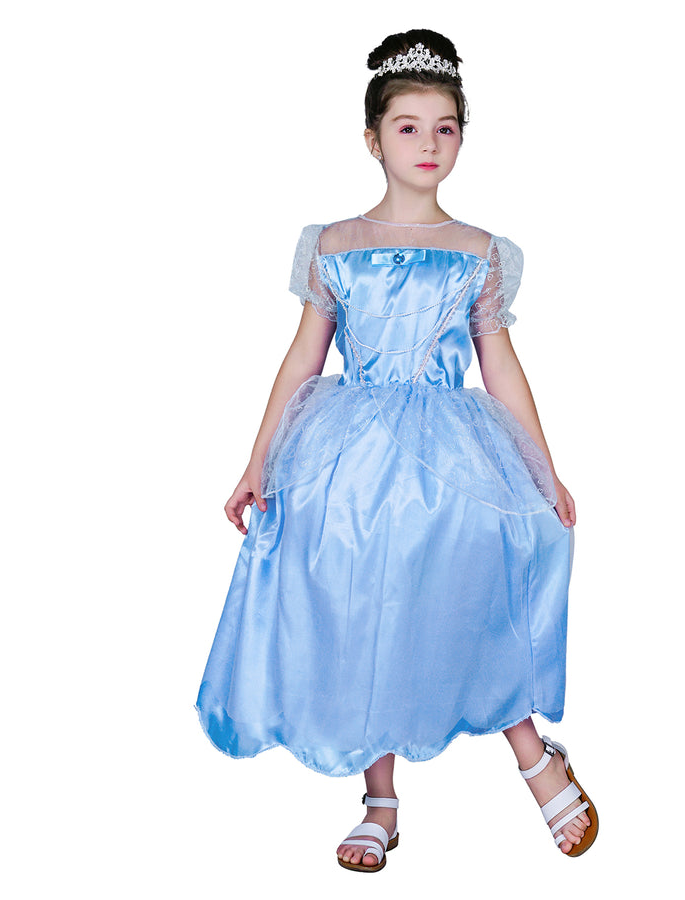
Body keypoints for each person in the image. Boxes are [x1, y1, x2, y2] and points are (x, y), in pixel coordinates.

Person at [195, 28, 598, 871]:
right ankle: (379, 798)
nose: (428, 143)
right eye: (408, 127)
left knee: (469, 588)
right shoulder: (335, 244)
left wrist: (545, 468)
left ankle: (534, 755)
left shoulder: (479, 252)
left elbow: (500, 366)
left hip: (451, 457)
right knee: (360, 609)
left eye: (445, 127)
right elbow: (303, 360)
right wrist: (256, 461)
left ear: (462, 137)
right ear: (373, 139)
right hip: (347, 461)